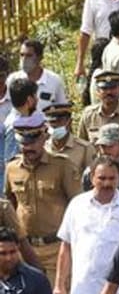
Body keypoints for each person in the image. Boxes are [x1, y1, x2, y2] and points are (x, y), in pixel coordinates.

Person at [54, 157, 119, 294]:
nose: (107, 183)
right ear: (92, 177)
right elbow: (66, 247)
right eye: (102, 178)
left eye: (112, 178)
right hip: (85, 290)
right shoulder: (77, 205)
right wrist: (59, 284)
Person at [5, 111, 81, 275]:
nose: (28, 147)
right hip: (23, 250)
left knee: (55, 291)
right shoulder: (11, 169)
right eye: (24, 143)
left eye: (33, 142)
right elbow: (10, 205)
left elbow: (77, 206)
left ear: (44, 138)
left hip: (55, 249)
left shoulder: (62, 166)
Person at [0, 225, 55, 294]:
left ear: (18, 248)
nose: (9, 258)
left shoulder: (36, 280)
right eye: (3, 253)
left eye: (12, 252)